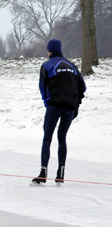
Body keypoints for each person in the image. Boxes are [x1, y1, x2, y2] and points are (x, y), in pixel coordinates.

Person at [32, 38, 86, 185]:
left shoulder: (47, 65)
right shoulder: (72, 66)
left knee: (47, 138)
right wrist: (76, 105)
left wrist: (47, 103)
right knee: (62, 137)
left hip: (54, 105)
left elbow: (42, 88)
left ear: (49, 50)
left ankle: (43, 173)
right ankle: (61, 174)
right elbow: (83, 87)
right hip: (70, 106)